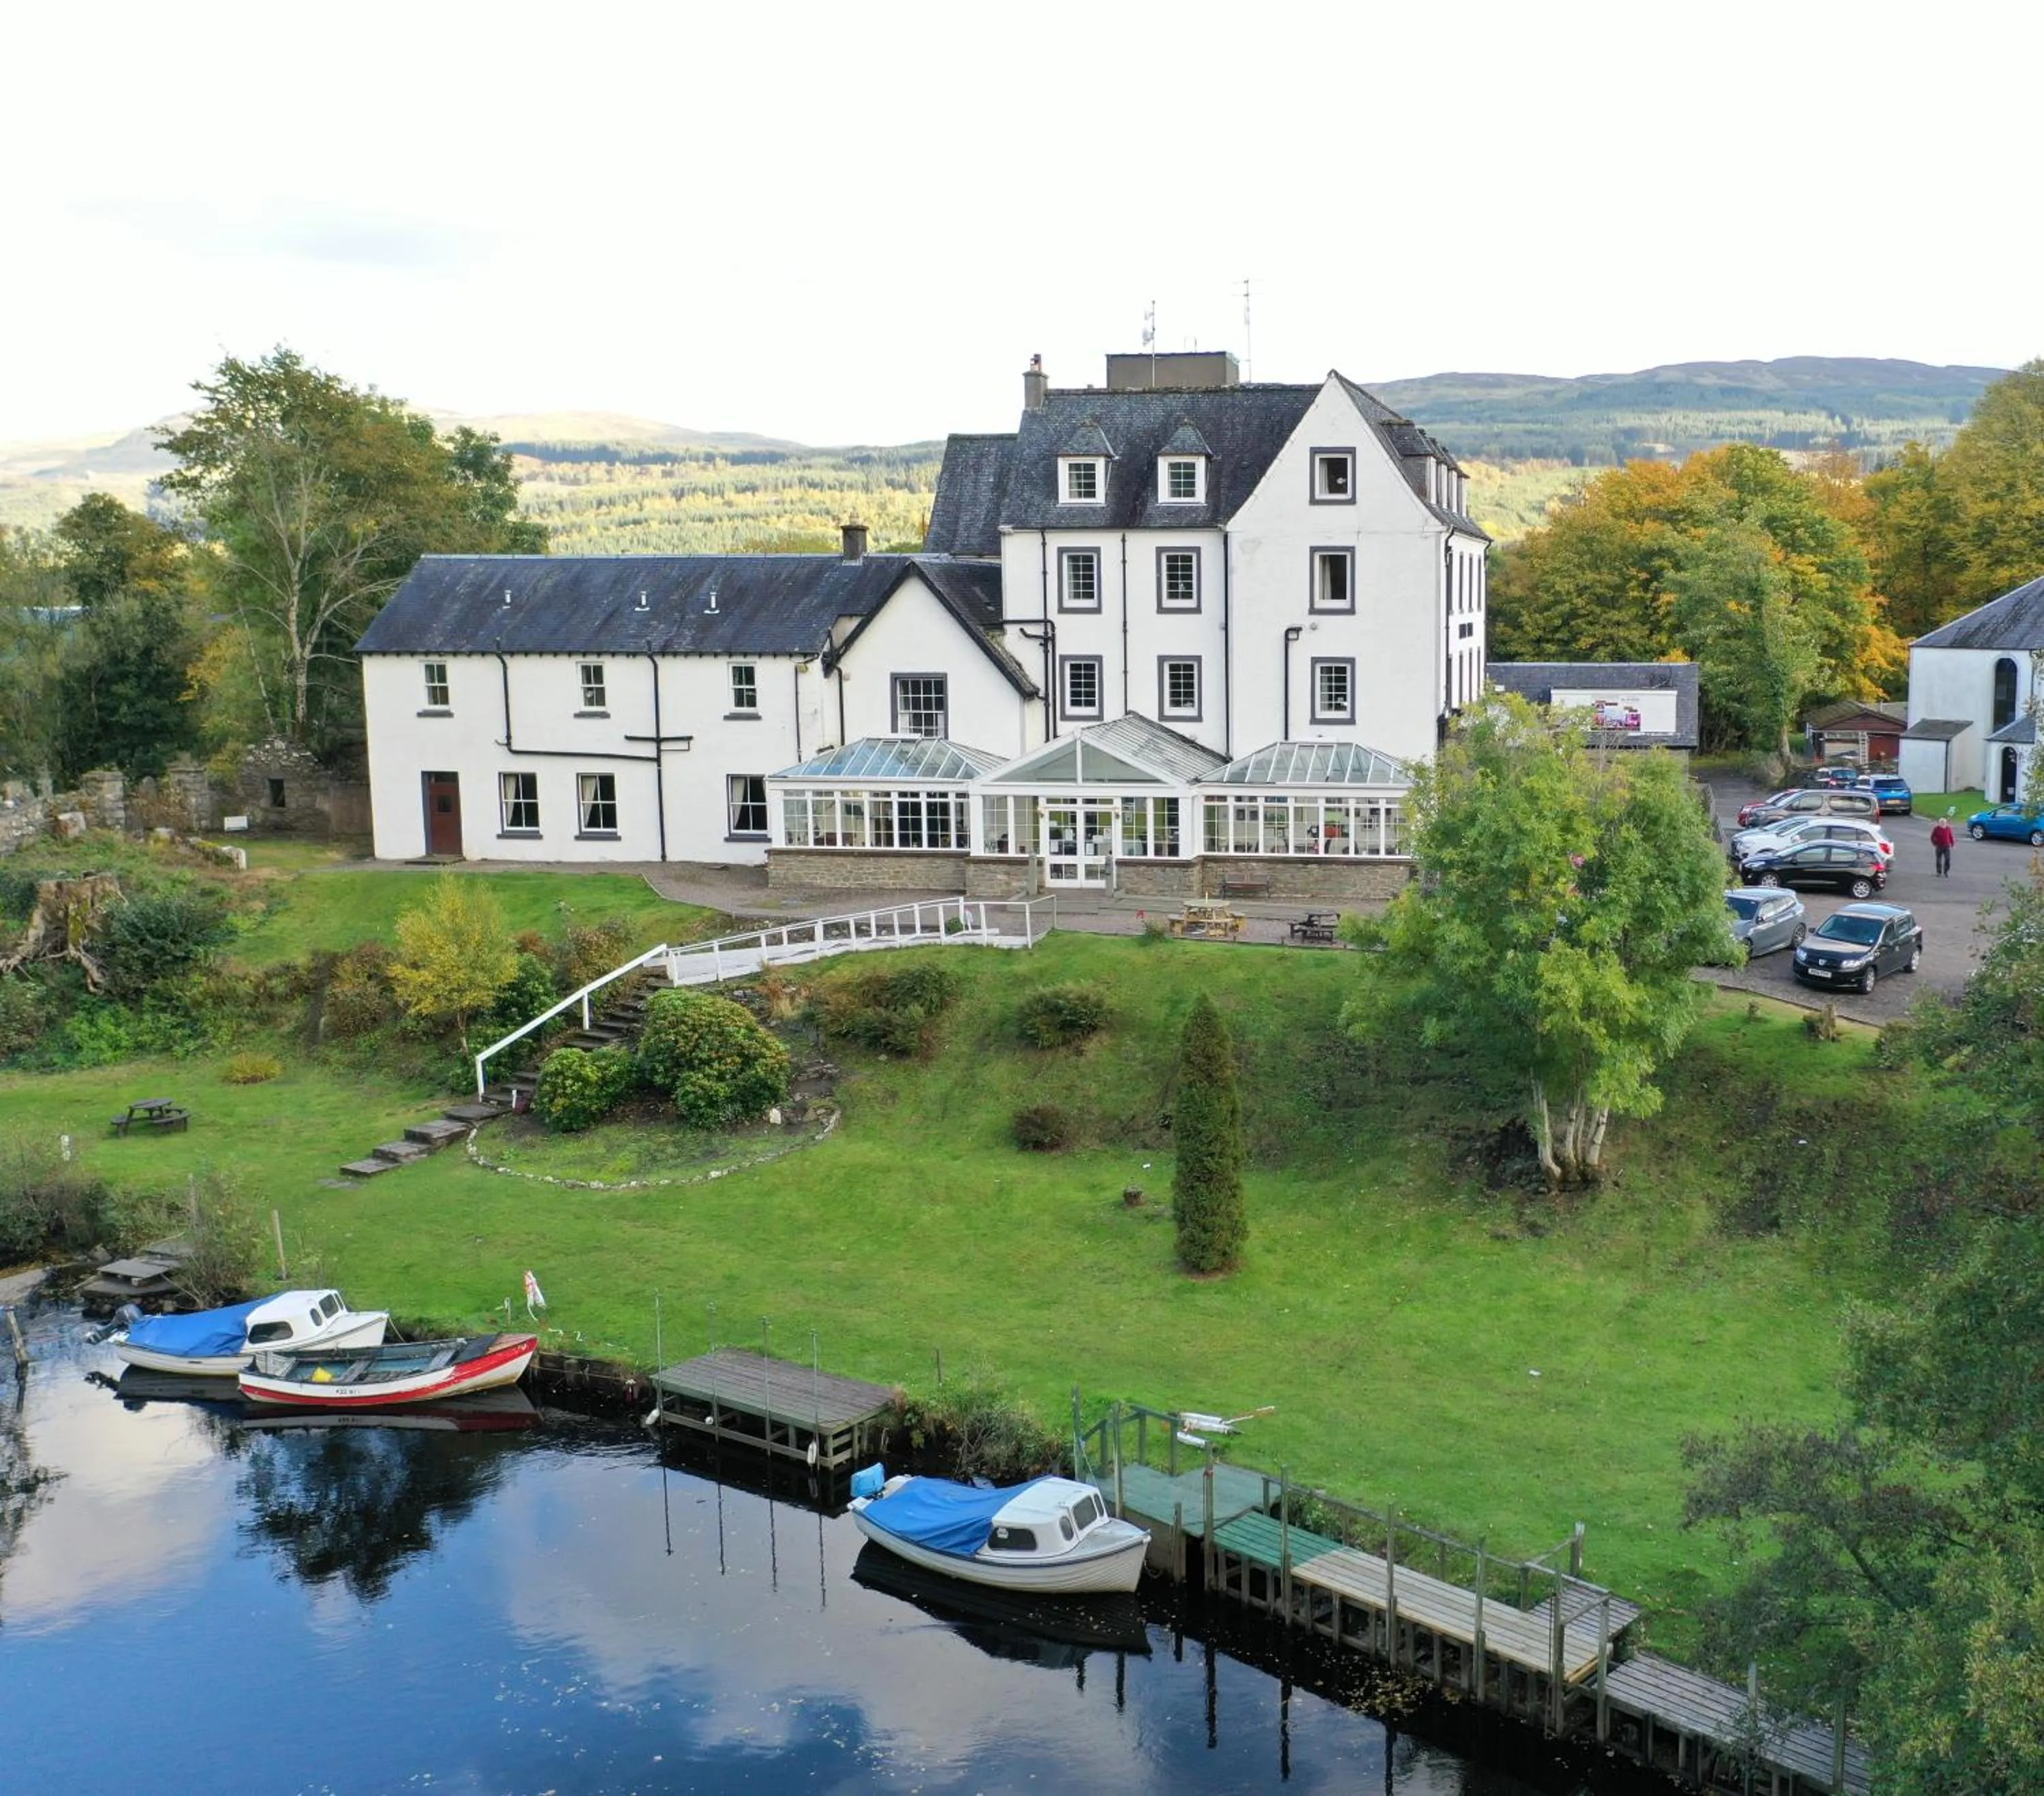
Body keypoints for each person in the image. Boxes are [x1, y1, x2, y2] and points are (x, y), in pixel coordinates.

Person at [1931, 813, 1956, 878]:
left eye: (1944, 823)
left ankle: (1946, 871)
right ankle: (1939, 872)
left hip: (1947, 846)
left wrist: (1953, 844)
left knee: (1948, 859)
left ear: (1946, 823)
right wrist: (1934, 843)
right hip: (1939, 846)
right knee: (1939, 860)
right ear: (1939, 823)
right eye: (1941, 823)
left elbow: (1951, 837)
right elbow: (1932, 837)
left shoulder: (1948, 829)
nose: (1943, 824)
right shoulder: (1936, 829)